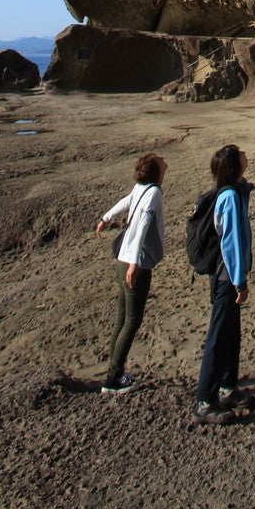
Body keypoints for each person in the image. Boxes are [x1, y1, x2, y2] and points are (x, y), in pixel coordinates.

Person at [95, 152, 167, 393]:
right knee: (132, 320)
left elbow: (127, 201)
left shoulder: (142, 188)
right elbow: (144, 223)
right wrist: (136, 262)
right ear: (156, 170)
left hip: (122, 259)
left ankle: (113, 369)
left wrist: (106, 217)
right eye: (160, 159)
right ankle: (114, 378)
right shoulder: (154, 192)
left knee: (122, 317)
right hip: (135, 263)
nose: (164, 159)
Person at [193, 143, 254, 425]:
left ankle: (228, 387)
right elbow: (230, 244)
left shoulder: (235, 192)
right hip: (226, 278)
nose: (245, 154)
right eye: (239, 153)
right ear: (233, 164)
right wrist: (239, 281)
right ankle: (205, 400)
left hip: (229, 277)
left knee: (231, 333)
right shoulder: (229, 197)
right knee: (218, 336)